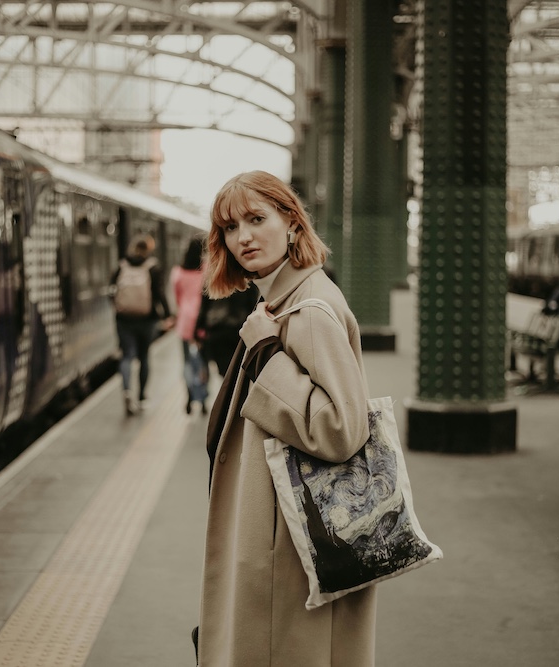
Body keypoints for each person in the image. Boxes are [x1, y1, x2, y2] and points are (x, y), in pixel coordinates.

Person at [197, 171, 376, 666]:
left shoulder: (309, 310)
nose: (244, 238)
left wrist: (267, 353)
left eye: (257, 219)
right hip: (287, 537)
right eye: (230, 228)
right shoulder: (280, 300)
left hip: (292, 551)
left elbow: (343, 428)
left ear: (292, 224)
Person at [110, 234, 172, 415]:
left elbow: (111, 291)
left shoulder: (121, 265)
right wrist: (167, 315)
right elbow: (159, 293)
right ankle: (142, 397)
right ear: (148, 249)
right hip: (147, 319)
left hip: (124, 320)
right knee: (144, 357)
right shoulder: (153, 267)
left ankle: (127, 390)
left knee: (127, 356)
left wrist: (118, 309)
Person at [171, 236, 210, 414]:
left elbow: (177, 298)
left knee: (187, 362)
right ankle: (202, 400)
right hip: (202, 322)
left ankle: (189, 396)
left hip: (185, 322)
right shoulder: (206, 269)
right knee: (203, 362)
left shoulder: (178, 272)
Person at [195, 286, 259, 377]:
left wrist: (197, 328)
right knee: (244, 370)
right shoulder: (244, 274)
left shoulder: (212, 276)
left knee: (227, 374)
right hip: (240, 327)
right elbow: (252, 301)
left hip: (218, 330)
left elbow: (204, 306)